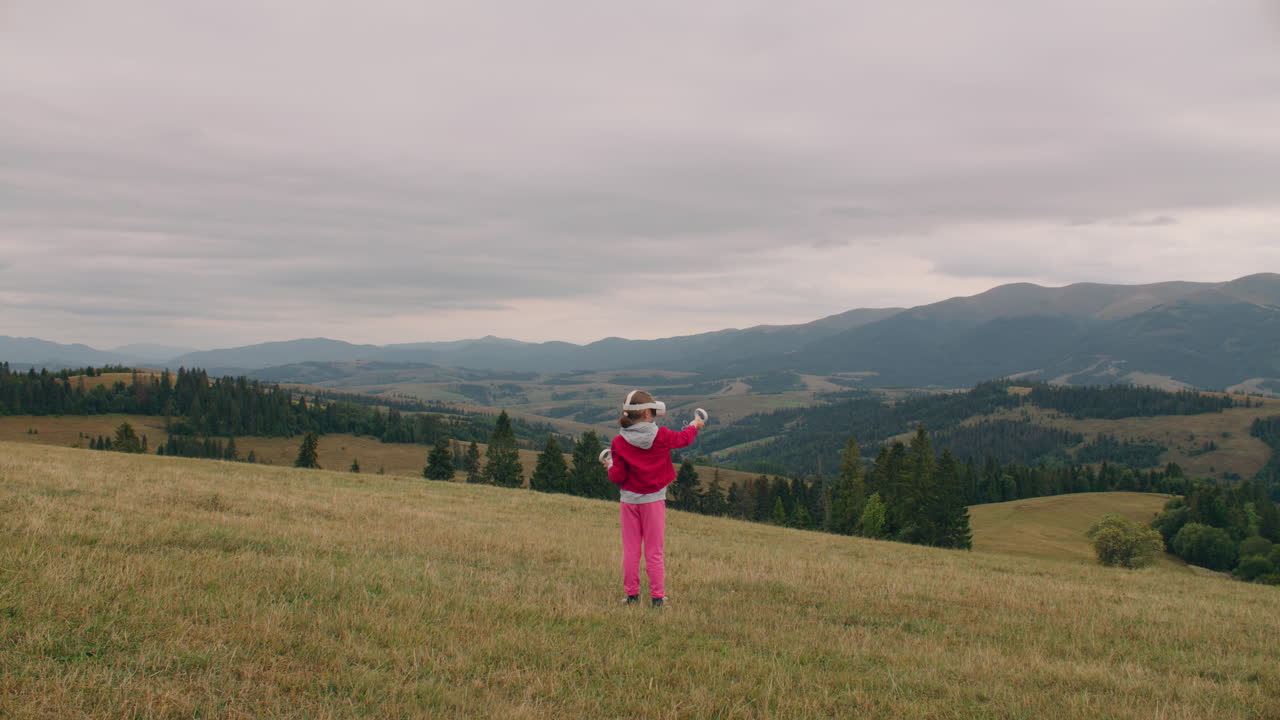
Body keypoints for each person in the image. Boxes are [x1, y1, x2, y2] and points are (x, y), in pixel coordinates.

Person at [602, 390, 704, 607]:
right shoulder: (662, 436)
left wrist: (610, 465)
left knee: (631, 550)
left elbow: (618, 476)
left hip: (629, 501)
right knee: (654, 551)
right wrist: (695, 425)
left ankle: (632, 596)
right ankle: (657, 598)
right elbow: (684, 439)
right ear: (649, 413)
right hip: (653, 500)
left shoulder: (619, 442)